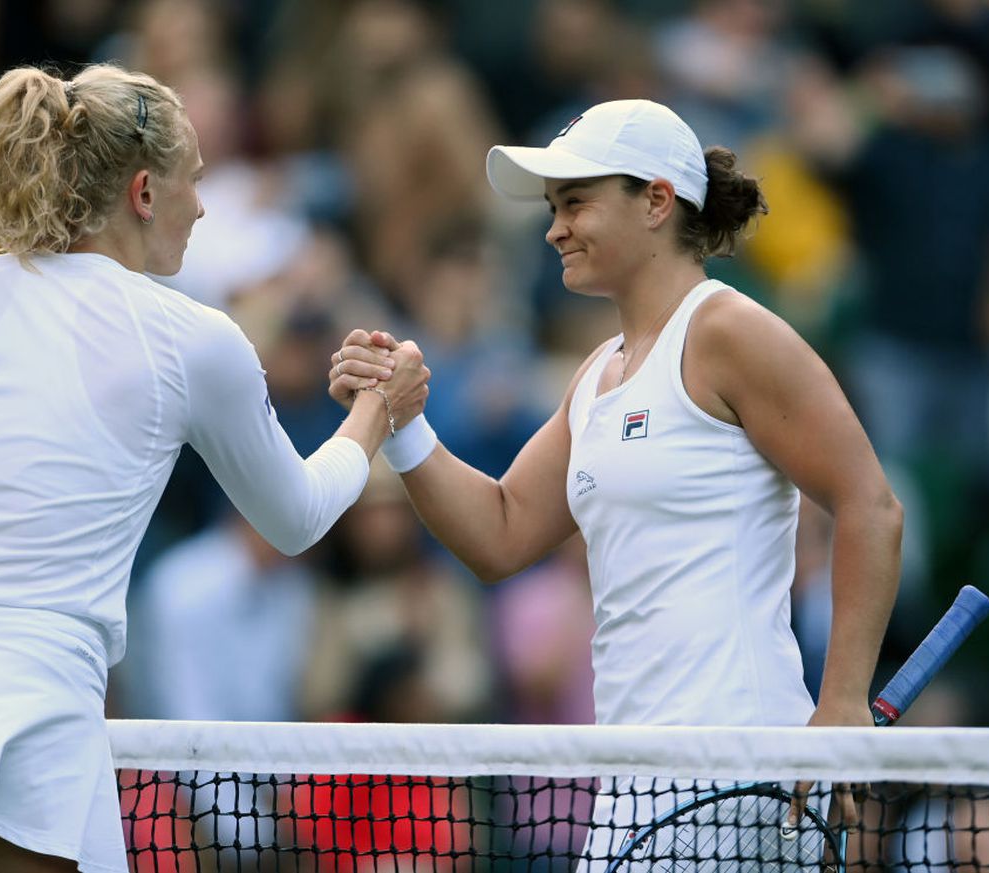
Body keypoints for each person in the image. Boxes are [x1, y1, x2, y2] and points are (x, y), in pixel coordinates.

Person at [0, 63, 428, 873]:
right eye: (193, 182)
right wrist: (376, 411)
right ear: (143, 192)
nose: (202, 205)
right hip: (26, 704)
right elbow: (297, 517)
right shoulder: (195, 339)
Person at [330, 99, 903, 862]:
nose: (553, 228)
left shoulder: (728, 331)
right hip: (635, 779)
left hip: (738, 768)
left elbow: (871, 505)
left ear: (658, 201)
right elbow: (500, 532)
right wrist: (403, 424)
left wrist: (840, 706)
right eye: (552, 208)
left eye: (575, 203)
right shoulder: (598, 375)